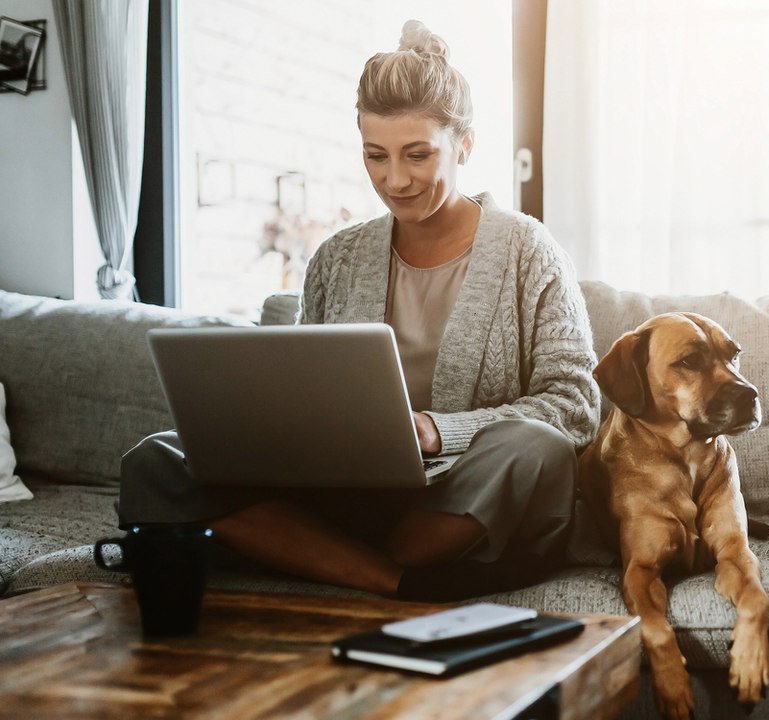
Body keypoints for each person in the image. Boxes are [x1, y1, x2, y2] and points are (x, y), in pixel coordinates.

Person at [118, 20, 600, 601]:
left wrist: (435, 432)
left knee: (535, 448)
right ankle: (397, 581)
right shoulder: (336, 258)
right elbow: (301, 389)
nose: (395, 179)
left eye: (417, 155)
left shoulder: (529, 250)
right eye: (376, 156)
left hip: (463, 497)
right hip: (347, 494)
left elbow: (573, 406)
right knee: (155, 460)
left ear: (464, 144)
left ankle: (314, 553)